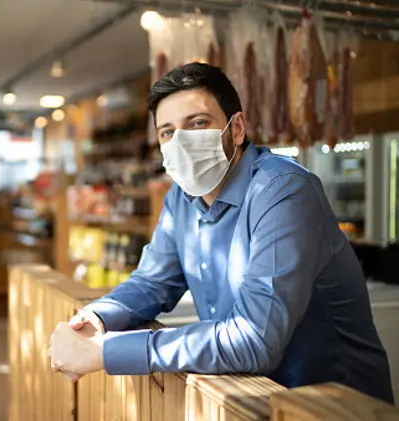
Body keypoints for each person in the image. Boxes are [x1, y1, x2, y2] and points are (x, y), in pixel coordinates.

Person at [48, 62, 394, 404]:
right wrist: (95, 317)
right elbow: (152, 283)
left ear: (237, 128)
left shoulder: (283, 191)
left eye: (197, 123)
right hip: (250, 399)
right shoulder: (182, 198)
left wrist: (108, 352)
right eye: (168, 132)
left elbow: (254, 338)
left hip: (332, 406)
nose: (181, 141)